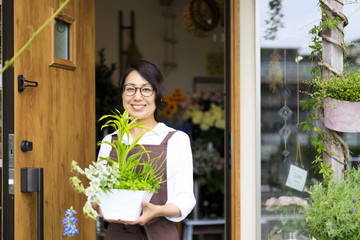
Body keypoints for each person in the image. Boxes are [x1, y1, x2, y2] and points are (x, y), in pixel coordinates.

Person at [92, 60, 196, 240]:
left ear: (158, 95)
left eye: (146, 89)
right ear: (122, 94)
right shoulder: (110, 141)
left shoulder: (175, 139)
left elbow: (184, 200)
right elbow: (95, 194)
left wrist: (157, 211)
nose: (137, 97)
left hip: (160, 234)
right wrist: (98, 205)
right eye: (130, 89)